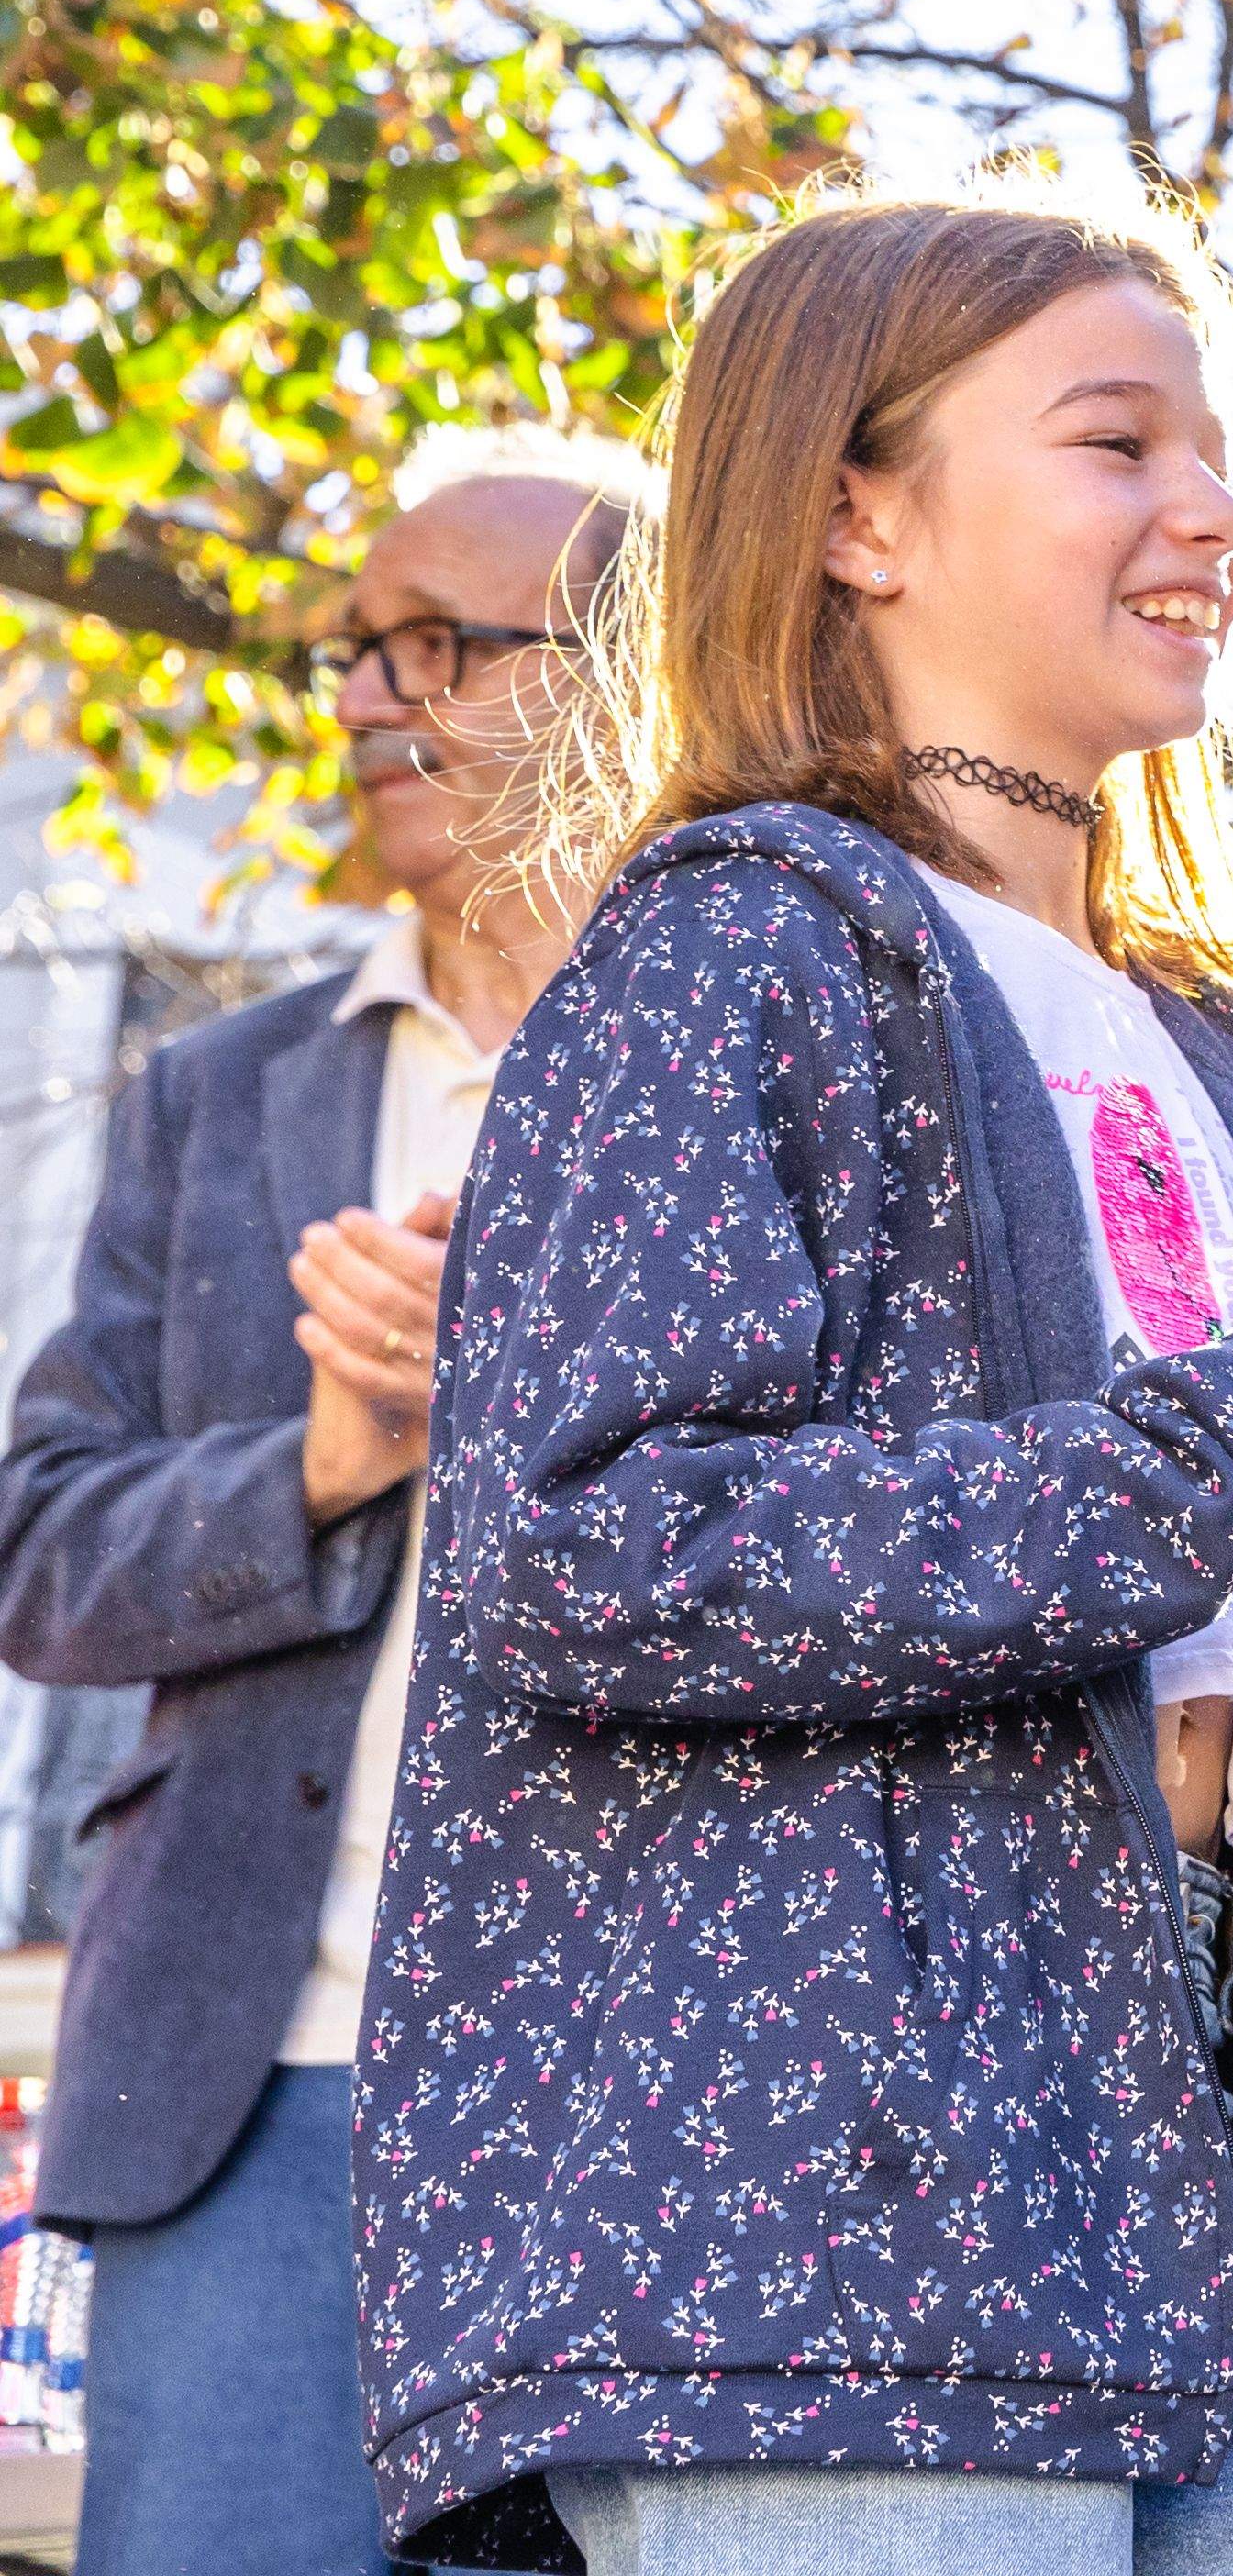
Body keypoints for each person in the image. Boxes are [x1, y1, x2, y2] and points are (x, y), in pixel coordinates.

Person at [342, 190, 1233, 2572]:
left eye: (1217, 449)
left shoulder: (1231, 1072)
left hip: (1174, 2152)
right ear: (860, 513)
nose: (1214, 512)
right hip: (820, 2217)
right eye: (1117, 442)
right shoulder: (728, 960)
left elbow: (1172, 1728)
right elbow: (599, 1561)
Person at [0, 429, 644, 2576]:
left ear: (636, 669)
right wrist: (330, 1455)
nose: (370, 697)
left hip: (658, 2091)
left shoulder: (755, 1060)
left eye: (441, 645)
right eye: (359, 650)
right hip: (260, 2085)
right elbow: (42, 1545)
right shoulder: (219, 1087)